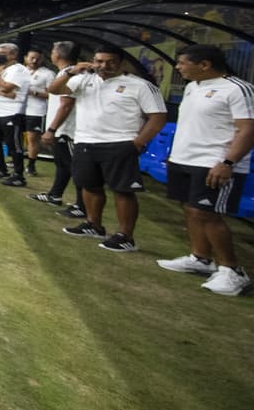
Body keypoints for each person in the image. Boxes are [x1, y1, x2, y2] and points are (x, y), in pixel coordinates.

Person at [156, 45, 254, 295]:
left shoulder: (237, 89)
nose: (177, 67)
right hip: (184, 158)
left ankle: (233, 271)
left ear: (205, 64)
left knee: (206, 213)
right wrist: (174, 155)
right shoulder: (192, 87)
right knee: (190, 208)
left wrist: (228, 163)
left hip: (214, 162)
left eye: (182, 62)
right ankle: (201, 259)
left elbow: (248, 130)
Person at [50, 45, 167, 252]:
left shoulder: (140, 85)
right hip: (85, 140)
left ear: (120, 63)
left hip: (120, 143)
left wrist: (139, 142)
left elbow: (157, 117)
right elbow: (54, 89)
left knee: (123, 190)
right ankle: (93, 224)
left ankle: (125, 236)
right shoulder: (84, 79)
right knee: (89, 186)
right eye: (99, 61)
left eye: (110, 62)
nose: (103, 66)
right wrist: (70, 71)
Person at [30, 41, 86, 217]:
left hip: (67, 131)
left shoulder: (72, 76)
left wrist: (52, 129)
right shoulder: (64, 73)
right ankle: (55, 194)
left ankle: (81, 205)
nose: (51, 54)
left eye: (53, 50)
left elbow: (66, 105)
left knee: (75, 168)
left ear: (59, 55)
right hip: (61, 129)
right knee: (62, 164)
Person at [0, 43, 31, 187]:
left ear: (13, 55)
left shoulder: (19, 70)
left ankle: (18, 175)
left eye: (3, 52)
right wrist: (0, 92)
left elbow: (6, 86)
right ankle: (1, 168)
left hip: (12, 112)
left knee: (13, 145)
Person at [23, 48, 56, 177]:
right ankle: (17, 159)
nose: (34, 61)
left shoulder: (48, 74)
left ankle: (31, 165)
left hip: (36, 110)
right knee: (18, 136)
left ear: (42, 59)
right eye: (32, 58)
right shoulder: (21, 71)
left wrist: (34, 92)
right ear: (26, 57)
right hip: (19, 108)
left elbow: (52, 94)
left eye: (37, 58)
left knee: (33, 139)